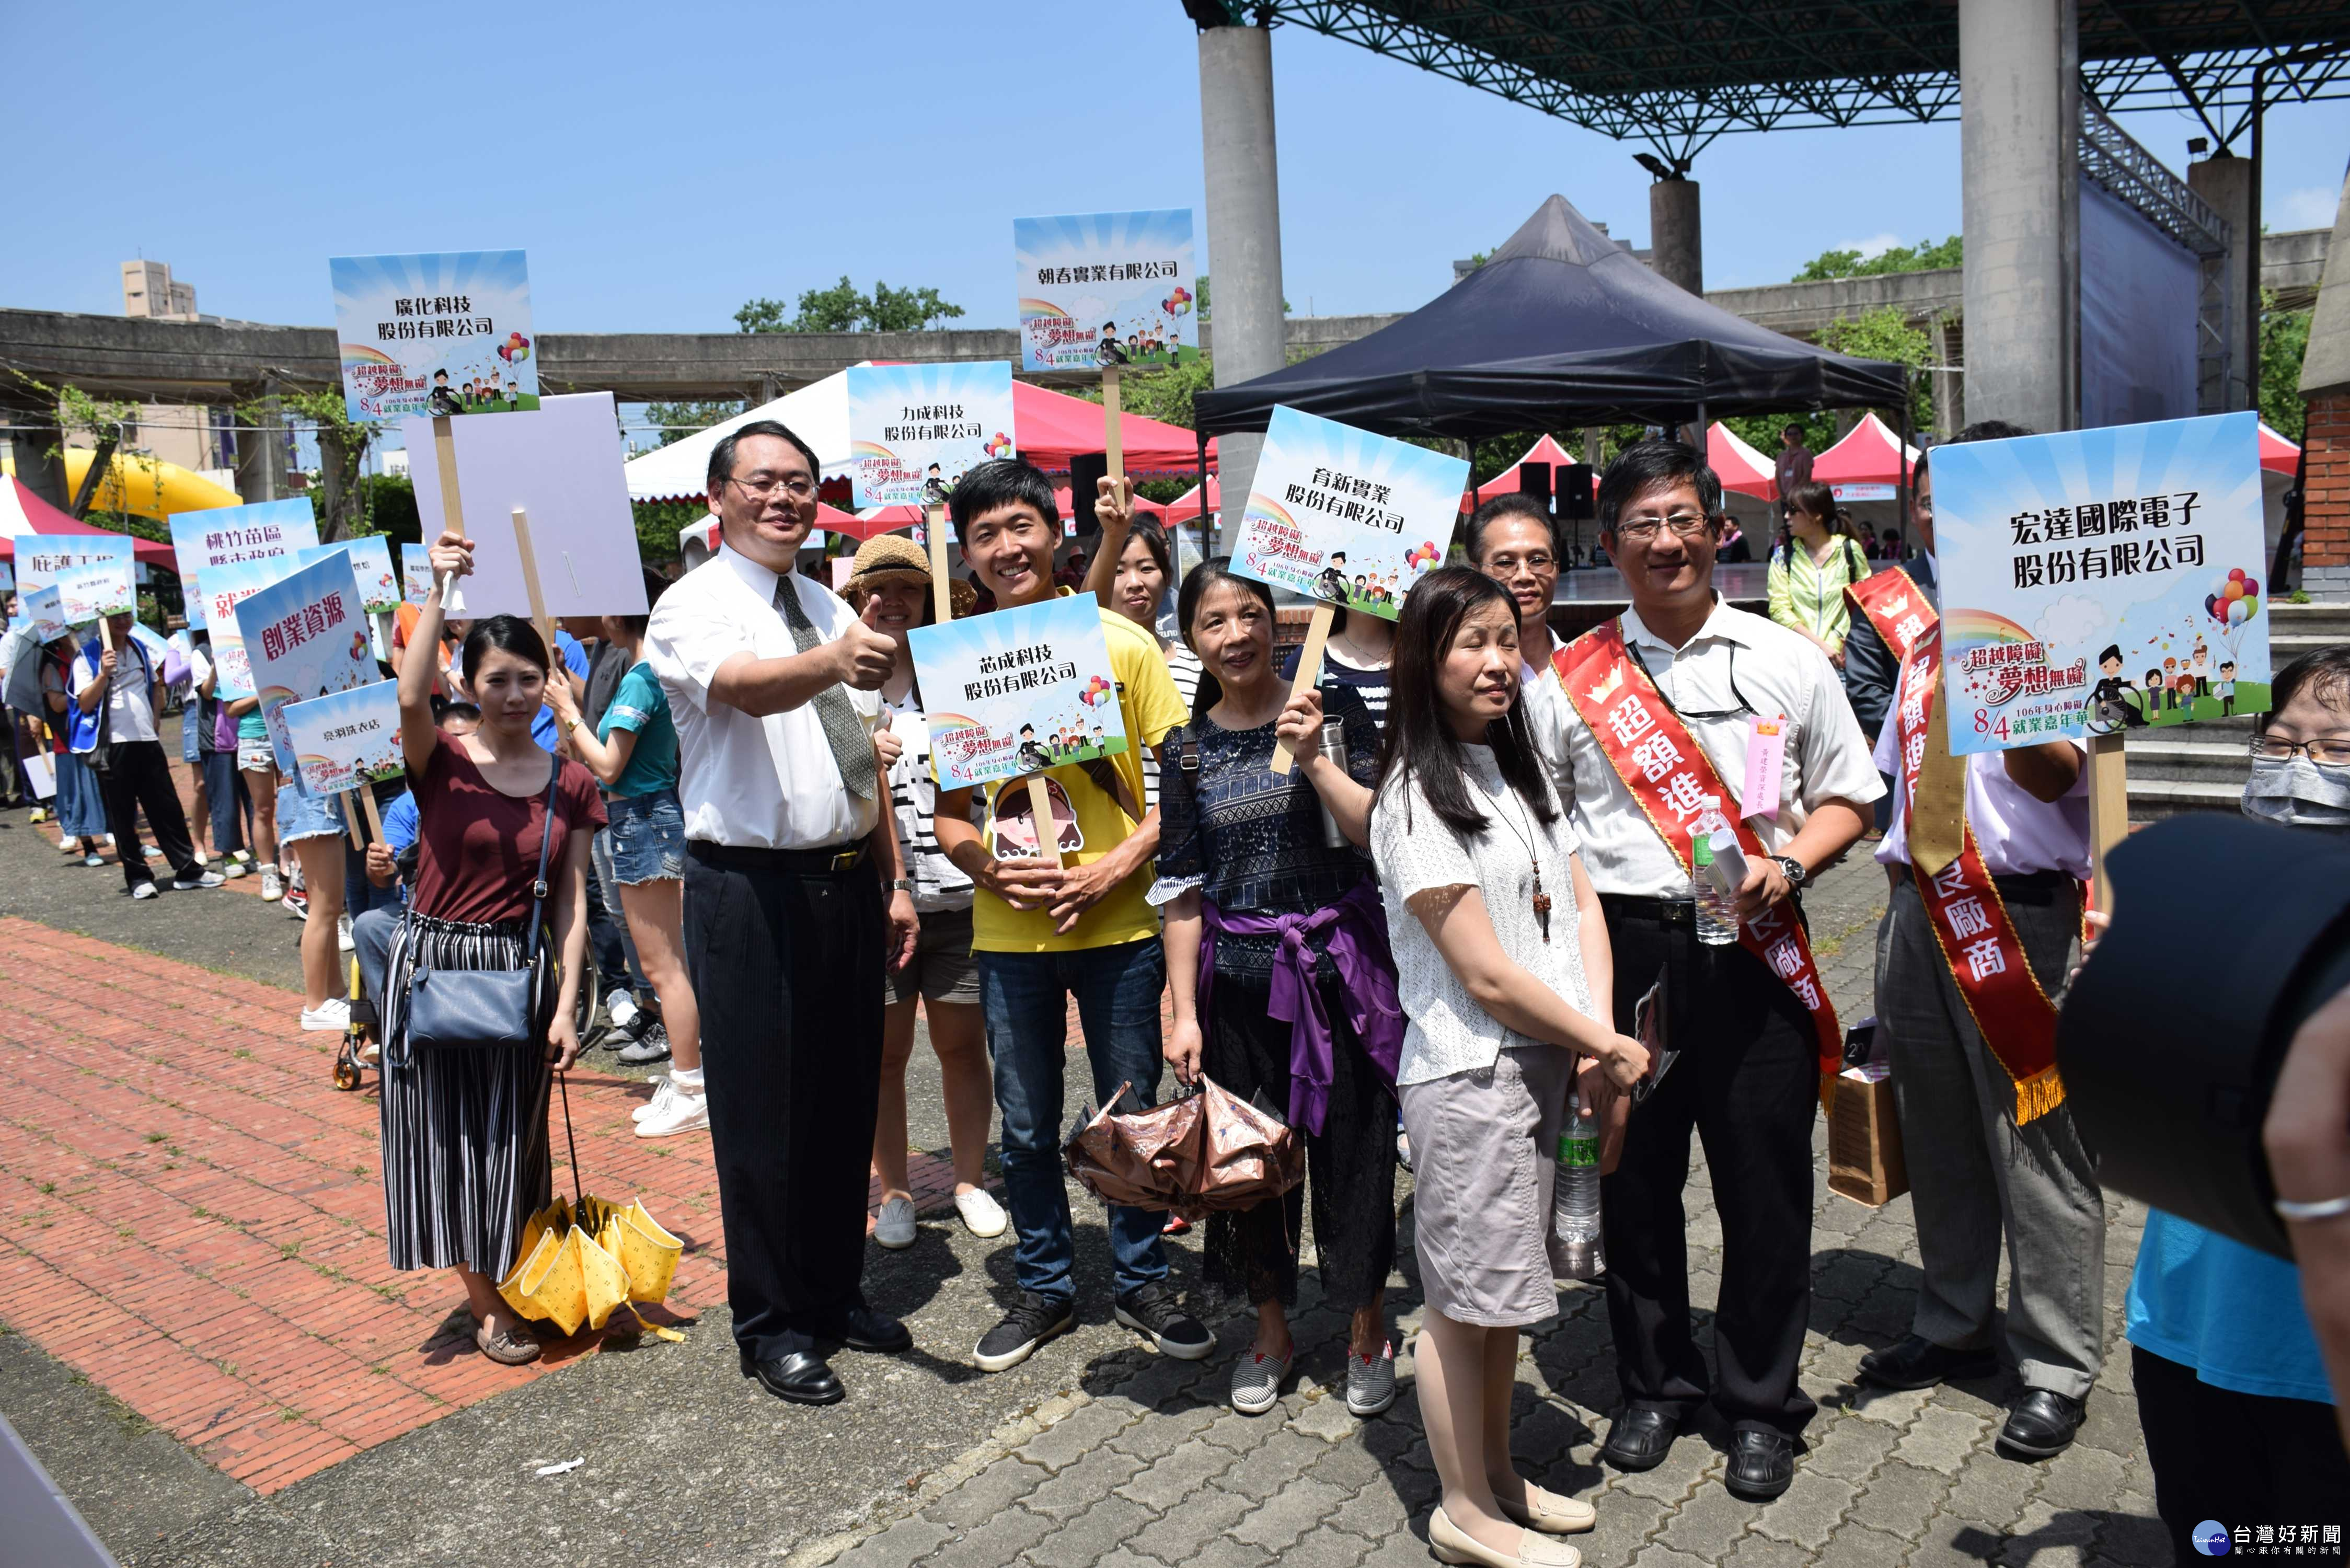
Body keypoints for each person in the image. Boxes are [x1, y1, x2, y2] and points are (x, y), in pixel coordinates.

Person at [1545, 440, 1882, 1498]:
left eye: (1682, 518)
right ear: (1610, 545)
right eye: (1641, 525)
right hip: (1622, 953)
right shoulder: (1569, 679)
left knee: (1761, 1184)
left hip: (1753, 947)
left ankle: (1758, 1401)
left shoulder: (1787, 658)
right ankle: (1653, 1386)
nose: (1665, 541)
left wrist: (1790, 861)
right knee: (1635, 1180)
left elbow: (1850, 797)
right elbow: (1542, 825)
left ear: (1716, 528)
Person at [1370, 566, 1648, 1568]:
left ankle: (1498, 1479)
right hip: (1470, 1074)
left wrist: (1594, 1035)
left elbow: (1579, 909)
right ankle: (1460, 1510)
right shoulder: (1411, 796)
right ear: (1422, 661)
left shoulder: (1512, 771)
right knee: (1459, 1309)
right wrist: (1601, 1043)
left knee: (1504, 1303)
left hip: (1542, 1065)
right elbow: (1484, 975)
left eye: (1504, 638)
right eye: (1467, 643)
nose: (1495, 662)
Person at [644, 419, 918, 1406]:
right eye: (762, 482)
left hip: (846, 879)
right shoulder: (691, 605)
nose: (784, 499)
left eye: (800, 483)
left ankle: (836, 1292)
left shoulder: (820, 599)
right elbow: (748, 692)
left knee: (845, 1099)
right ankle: (769, 1323)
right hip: (746, 889)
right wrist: (838, 659)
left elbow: (860, 753)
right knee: (763, 1116)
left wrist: (890, 878)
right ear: (716, 496)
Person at [1849, 423, 2108, 1460]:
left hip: (2019, 914)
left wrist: (1994, 665)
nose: (1941, 516)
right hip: (1919, 907)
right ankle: (1954, 1322)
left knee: (2037, 1141)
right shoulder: (1917, 636)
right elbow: (1896, 782)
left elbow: (2058, 776)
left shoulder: (2072, 624)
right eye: (1930, 499)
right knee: (1943, 1133)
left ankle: (2054, 1364)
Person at [928, 457, 1212, 1374]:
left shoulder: (1121, 644)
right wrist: (989, 871)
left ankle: (1139, 1278)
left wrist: (1121, 862)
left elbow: (1188, 783)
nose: (1007, 547)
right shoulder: (959, 666)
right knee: (1025, 1122)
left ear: (1056, 533)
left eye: (1021, 525)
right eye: (985, 535)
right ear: (967, 556)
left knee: (1129, 1115)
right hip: (1010, 937)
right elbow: (949, 815)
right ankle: (1045, 1284)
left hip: (1122, 930)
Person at [1154, 560, 1401, 1419]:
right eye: (1214, 621)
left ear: (1281, 624)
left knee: (1358, 1157)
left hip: (1342, 975)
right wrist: (1183, 1013)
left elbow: (1383, 833)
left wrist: (1318, 753)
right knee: (1249, 1166)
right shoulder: (1183, 750)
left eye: (1250, 615)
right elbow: (1181, 888)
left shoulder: (1334, 715)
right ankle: (1271, 1330)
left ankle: (1368, 1327)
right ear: (1191, 640)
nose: (1236, 634)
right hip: (1239, 986)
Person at [2125, 645, 2350, 1553]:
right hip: (2185, 1316)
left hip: (2316, 1354)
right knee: (2207, 1533)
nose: (2298, 765)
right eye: (2280, 740)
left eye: (2335, 748)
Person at [379, 537, 598, 1367]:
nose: (513, 694)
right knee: (441, 1137)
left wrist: (570, 1000)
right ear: (467, 685)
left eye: (527, 677)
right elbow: (408, 692)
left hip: (519, 971)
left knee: (514, 1137)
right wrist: (440, 586)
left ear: (551, 683)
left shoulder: (570, 780)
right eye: (495, 679)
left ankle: (517, 1272)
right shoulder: (439, 760)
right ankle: (487, 1302)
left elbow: (574, 902)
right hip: (432, 966)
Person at [845, 535, 1007, 1245]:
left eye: (909, 587)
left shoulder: (963, 681)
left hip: (963, 898)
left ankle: (969, 1177)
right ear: (855, 602)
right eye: (877, 589)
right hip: (873, 906)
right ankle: (897, 1192)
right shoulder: (836, 689)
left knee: (963, 1046)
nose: (893, 601)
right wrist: (857, 754)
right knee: (882, 1053)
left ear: (933, 596)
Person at [546, 571, 707, 1140]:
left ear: (618, 615)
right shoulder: (646, 673)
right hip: (642, 815)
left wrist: (566, 709)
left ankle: (692, 1084)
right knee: (664, 964)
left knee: (664, 967)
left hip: (642, 817)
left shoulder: (641, 678)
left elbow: (609, 765)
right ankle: (686, 1076)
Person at [71, 612, 222, 901]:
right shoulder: (87, 656)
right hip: (113, 744)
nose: (122, 621)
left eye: (126, 615)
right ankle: (138, 877)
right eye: (115, 617)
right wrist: (103, 673)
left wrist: (155, 717)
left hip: (146, 740)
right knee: (123, 814)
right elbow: (84, 703)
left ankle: (188, 870)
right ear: (103, 619)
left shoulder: (139, 646)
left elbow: (156, 685)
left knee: (167, 808)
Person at [1086, 511, 1202, 815]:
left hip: (1182, 834)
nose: (1134, 583)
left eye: (1147, 568)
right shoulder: (1083, 667)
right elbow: (1082, 617)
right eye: (1118, 571)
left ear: (1168, 577)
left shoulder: (1198, 667)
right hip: (1113, 837)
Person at [1466, 492, 1571, 795]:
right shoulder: (1457, 677)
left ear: (1556, 568)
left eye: (1538, 560)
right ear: (1476, 571)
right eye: (1505, 563)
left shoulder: (1591, 669)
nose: (1524, 575)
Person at [1765, 480, 1870, 681]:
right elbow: (1779, 610)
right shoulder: (1782, 556)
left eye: (1793, 510)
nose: (1787, 516)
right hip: (1797, 663)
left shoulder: (1849, 550)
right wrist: (1819, 645)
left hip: (1843, 663)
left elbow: (1865, 603)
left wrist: (1845, 640)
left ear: (1816, 515)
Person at [39, 627, 110, 865]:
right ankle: (89, 847)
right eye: (71, 631)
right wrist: (81, 695)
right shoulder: (54, 664)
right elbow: (56, 704)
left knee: (110, 790)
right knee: (78, 794)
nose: (78, 634)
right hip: (69, 739)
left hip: (99, 732)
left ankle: (129, 841)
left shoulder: (94, 655)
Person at [1773, 424, 1813, 515]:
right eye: (1790, 434)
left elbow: (1807, 476)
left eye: (1796, 433)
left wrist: (1793, 493)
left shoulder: (1806, 454)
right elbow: (1778, 477)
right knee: (1788, 525)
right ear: (1786, 437)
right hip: (1785, 498)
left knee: (1800, 523)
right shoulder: (1781, 456)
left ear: (1801, 435)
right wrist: (1781, 495)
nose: (1793, 436)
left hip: (1800, 496)